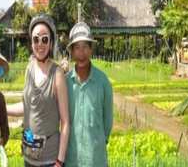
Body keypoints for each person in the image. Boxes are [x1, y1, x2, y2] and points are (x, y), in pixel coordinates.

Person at [7, 13, 69, 167]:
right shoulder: (29, 69)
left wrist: (59, 161)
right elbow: (28, 106)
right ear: (31, 42)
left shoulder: (57, 74)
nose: (40, 43)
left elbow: (66, 122)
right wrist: (3, 107)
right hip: (29, 156)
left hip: (49, 160)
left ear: (51, 42)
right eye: (36, 39)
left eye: (44, 39)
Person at [64, 22, 113, 167]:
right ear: (72, 51)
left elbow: (107, 123)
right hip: (70, 161)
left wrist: (96, 145)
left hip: (96, 161)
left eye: (85, 46)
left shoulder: (103, 82)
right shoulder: (65, 83)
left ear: (91, 49)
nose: (81, 53)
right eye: (77, 47)